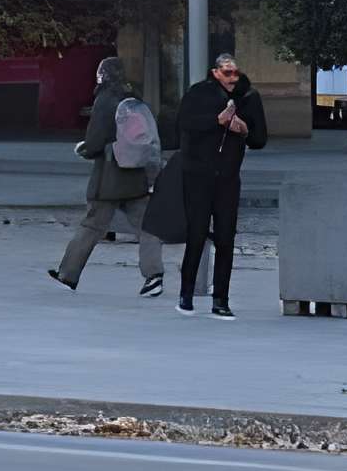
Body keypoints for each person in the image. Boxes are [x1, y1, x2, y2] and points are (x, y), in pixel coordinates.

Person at [48, 55, 165, 298]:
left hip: (109, 178)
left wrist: (84, 149)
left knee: (92, 224)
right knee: (147, 226)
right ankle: (154, 276)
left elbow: (95, 140)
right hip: (135, 176)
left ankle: (67, 275)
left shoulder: (105, 100)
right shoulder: (132, 97)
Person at [173, 51, 268, 317]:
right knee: (197, 233)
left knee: (226, 237)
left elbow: (260, 139)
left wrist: (244, 129)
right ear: (215, 73)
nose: (232, 78)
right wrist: (217, 122)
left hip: (228, 176)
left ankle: (221, 300)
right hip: (197, 175)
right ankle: (186, 294)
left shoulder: (248, 98)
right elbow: (184, 125)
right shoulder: (199, 94)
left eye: (235, 73)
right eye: (226, 72)